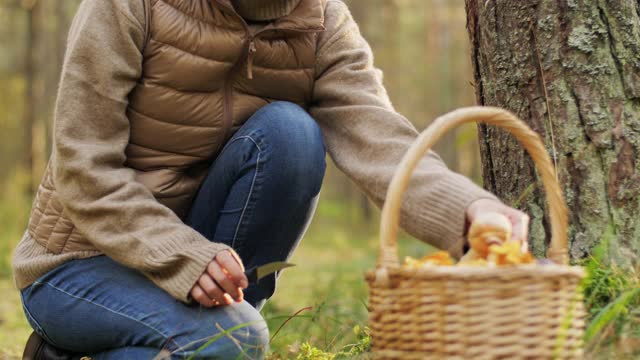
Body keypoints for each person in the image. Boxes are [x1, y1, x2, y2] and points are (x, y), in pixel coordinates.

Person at [14, 0, 528, 358]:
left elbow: (380, 139)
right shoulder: (129, 6)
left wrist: (469, 211)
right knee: (230, 341)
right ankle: (212, 339)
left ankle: (222, 331)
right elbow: (84, 170)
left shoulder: (323, 20)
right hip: (80, 262)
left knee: (290, 133)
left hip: (203, 263)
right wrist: (181, 254)